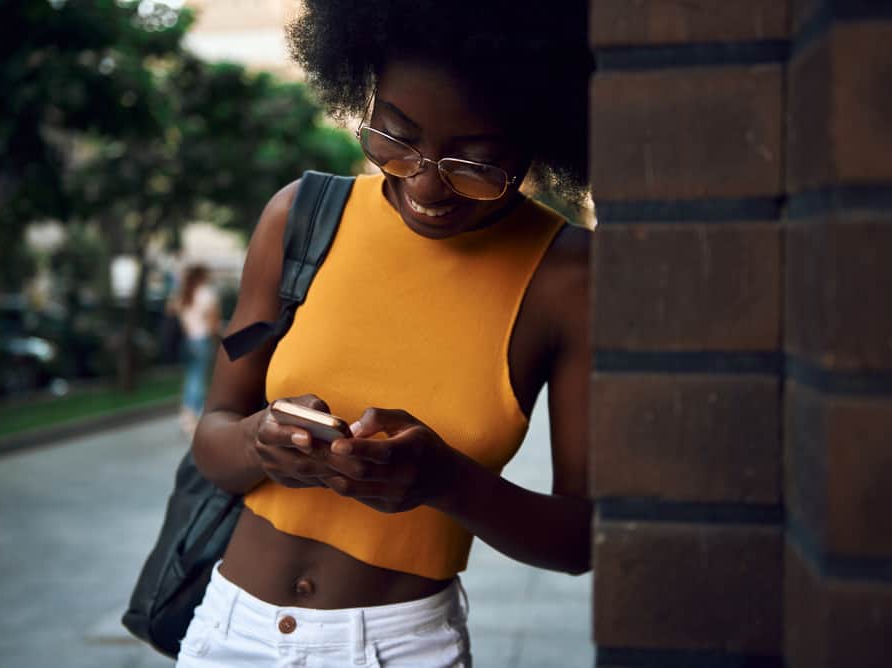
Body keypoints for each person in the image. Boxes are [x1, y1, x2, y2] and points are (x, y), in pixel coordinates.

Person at [181, 1, 591, 665]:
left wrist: (445, 483)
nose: (427, 184)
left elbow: (581, 541)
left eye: (476, 163)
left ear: (536, 138)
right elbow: (214, 431)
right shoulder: (299, 220)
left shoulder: (568, 276)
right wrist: (260, 445)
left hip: (401, 647)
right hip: (229, 633)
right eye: (396, 139)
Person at [173, 263, 221, 436]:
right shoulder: (205, 293)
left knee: (191, 376)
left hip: (189, 340)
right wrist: (217, 339)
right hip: (203, 340)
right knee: (200, 377)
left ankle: (187, 415)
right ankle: (197, 416)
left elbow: (176, 313)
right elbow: (213, 322)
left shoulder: (186, 294)